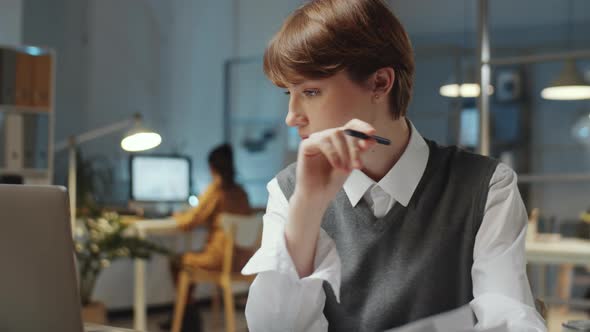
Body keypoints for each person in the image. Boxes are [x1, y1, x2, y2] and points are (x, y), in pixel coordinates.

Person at [241, 0, 546, 331]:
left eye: (311, 91)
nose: (291, 116)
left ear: (380, 83)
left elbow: (507, 317)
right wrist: (307, 209)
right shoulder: (289, 191)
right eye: (289, 92)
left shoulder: (486, 186)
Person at [161, 144, 251, 330]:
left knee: (177, 261)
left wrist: (177, 216)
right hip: (241, 260)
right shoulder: (241, 192)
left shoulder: (216, 190)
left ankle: (187, 316)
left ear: (212, 167)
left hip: (218, 260)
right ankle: (189, 314)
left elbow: (190, 222)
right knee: (187, 261)